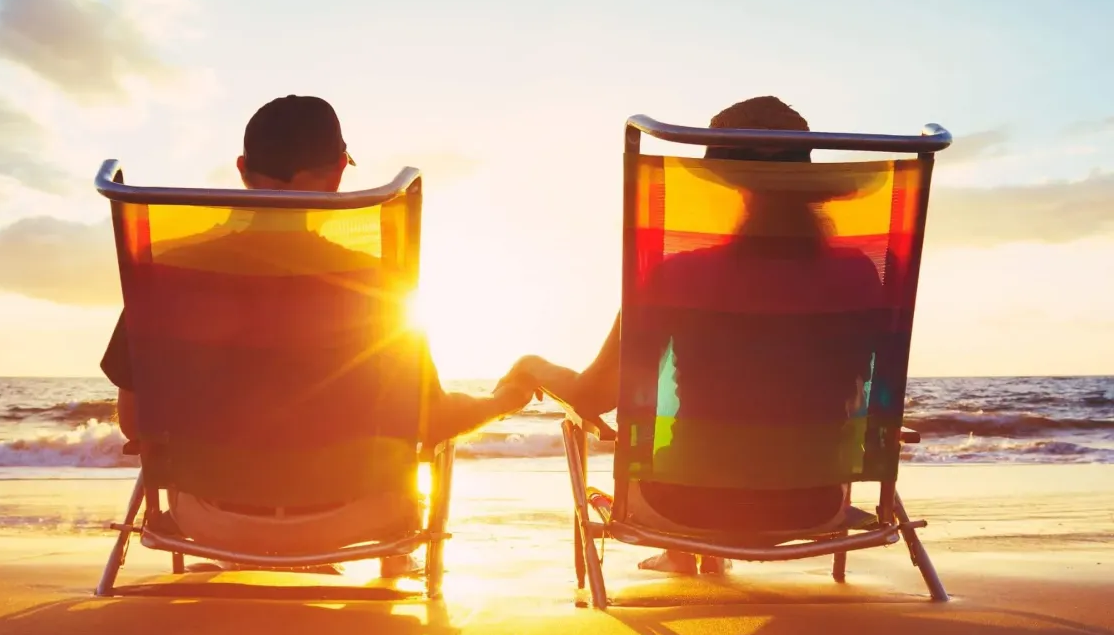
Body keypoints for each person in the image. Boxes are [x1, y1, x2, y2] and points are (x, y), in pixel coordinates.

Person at [102, 94, 535, 572]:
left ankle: (247, 552)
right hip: (356, 518)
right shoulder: (379, 284)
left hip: (206, 521)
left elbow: (134, 422)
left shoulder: (167, 274)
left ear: (243, 168)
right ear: (338, 173)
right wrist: (504, 399)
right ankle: (389, 565)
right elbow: (431, 422)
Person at [502, 96, 882, 576]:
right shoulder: (860, 275)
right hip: (813, 503)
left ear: (729, 187)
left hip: (683, 504)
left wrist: (531, 366)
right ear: (808, 184)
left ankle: (683, 549)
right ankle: (692, 554)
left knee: (692, 447)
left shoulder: (679, 275)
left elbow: (593, 396)